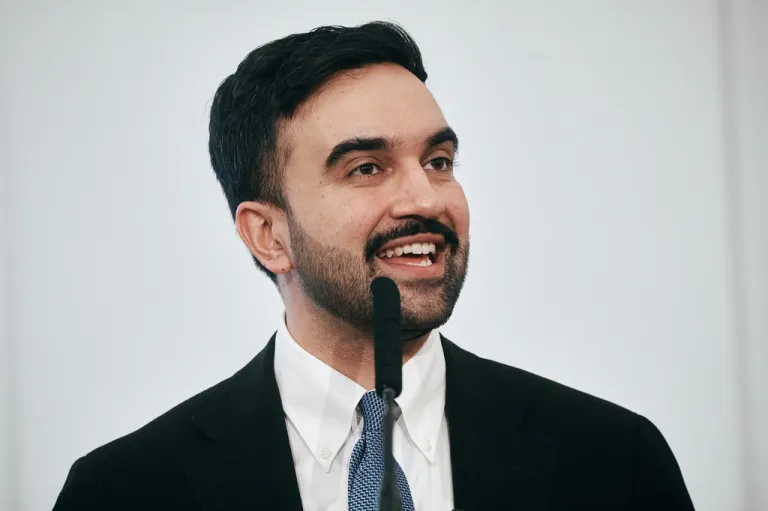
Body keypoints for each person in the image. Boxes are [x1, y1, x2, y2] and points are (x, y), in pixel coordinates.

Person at [53, 21, 695, 511]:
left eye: (439, 161)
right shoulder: (124, 490)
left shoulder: (614, 459)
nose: (426, 199)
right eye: (366, 168)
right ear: (268, 235)